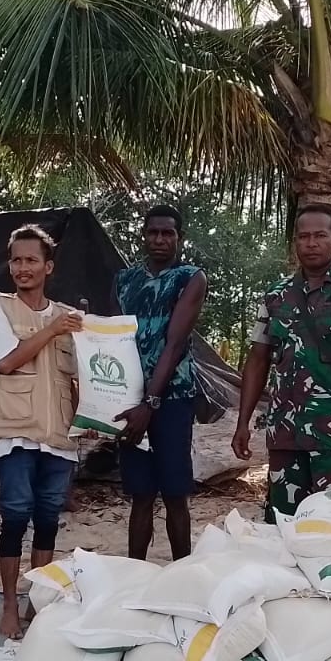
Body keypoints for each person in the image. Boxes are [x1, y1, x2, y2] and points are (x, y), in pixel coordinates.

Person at [232, 204, 331, 520]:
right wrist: (243, 422)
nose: (311, 243)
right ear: (295, 242)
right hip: (285, 431)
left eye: (320, 235)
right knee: (283, 520)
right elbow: (258, 359)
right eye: (303, 237)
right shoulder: (275, 296)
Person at [0, 225, 81, 639]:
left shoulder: (68, 316)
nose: (23, 268)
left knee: (48, 518)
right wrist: (52, 330)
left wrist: (94, 417)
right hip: (16, 430)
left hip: (58, 432)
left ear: (48, 266)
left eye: (31, 260)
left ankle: (34, 605)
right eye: (17, 260)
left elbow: (82, 375)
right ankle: (8, 604)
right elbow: (6, 362)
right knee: (15, 515)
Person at [111, 206, 208, 561]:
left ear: (179, 238)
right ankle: (134, 572)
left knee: (174, 492)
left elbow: (175, 342)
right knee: (140, 493)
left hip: (172, 398)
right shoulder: (125, 280)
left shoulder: (190, 278)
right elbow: (116, 340)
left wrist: (150, 404)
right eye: (153, 232)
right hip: (131, 398)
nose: (160, 240)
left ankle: (182, 570)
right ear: (144, 235)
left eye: (168, 233)